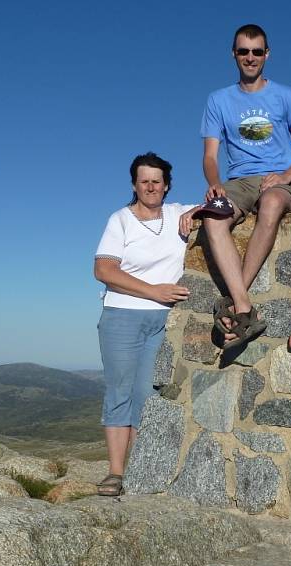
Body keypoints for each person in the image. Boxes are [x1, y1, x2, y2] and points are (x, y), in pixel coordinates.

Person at [180, 23, 291, 349]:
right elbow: (210, 155)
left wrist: (286, 176)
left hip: (278, 182)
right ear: (234, 54)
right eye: (244, 51)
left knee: (270, 203)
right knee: (213, 216)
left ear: (267, 54)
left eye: (257, 52)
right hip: (237, 182)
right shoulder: (218, 100)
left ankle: (233, 302)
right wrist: (215, 185)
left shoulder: (286, 96)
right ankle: (243, 306)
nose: (250, 58)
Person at [93, 152, 197, 496]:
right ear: (134, 185)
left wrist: (197, 213)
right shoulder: (121, 220)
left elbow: (222, 205)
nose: (150, 186)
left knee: (147, 396)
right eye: (143, 181)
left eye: (156, 181)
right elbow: (104, 270)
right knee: (120, 392)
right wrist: (154, 291)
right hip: (122, 315)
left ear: (166, 185)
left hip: (164, 320)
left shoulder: (178, 213)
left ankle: (140, 471)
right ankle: (116, 472)